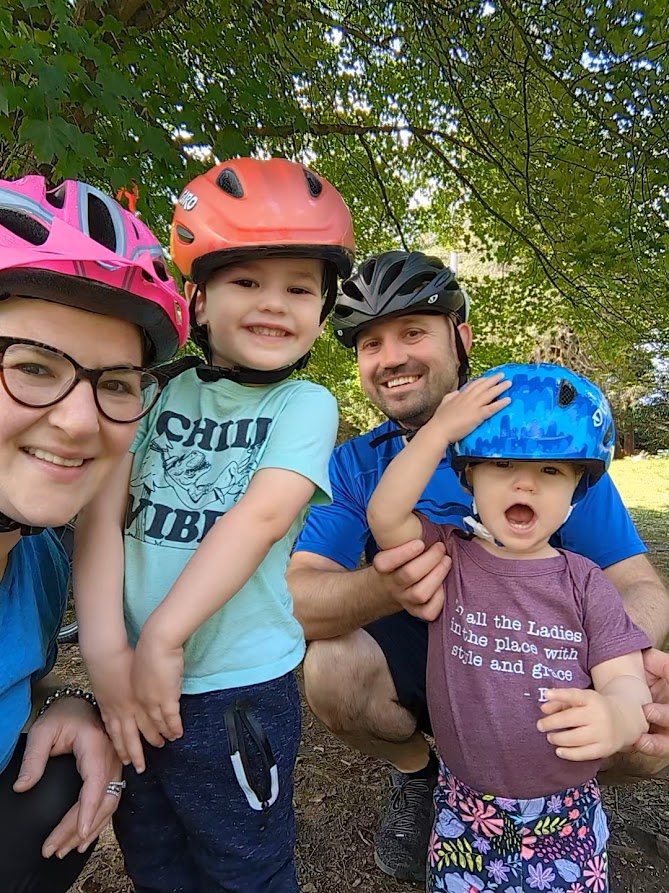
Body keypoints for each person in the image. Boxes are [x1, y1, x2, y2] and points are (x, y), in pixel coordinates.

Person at [287, 249, 669, 884]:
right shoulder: (357, 461)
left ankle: (552, 785)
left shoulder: (539, 434)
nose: (392, 357)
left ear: (460, 337)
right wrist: (388, 586)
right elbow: (298, 599)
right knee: (330, 668)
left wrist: (616, 658)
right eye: (370, 343)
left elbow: (639, 584)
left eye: (413, 331)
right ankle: (420, 774)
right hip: (431, 643)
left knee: (646, 717)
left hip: (540, 655)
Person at [74, 156, 356, 892]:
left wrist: (164, 634)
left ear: (322, 311)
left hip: (236, 689)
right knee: (153, 851)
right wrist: (109, 655)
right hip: (132, 676)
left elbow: (262, 516)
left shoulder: (303, 406)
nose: (274, 303)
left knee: (244, 864)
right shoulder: (154, 393)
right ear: (197, 301)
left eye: (299, 288)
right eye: (247, 281)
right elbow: (103, 515)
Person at [367, 362, 651, 892]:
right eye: (500, 463)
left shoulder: (587, 583)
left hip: (566, 818)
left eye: (551, 471)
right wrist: (438, 432)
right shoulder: (448, 557)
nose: (524, 481)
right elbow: (385, 515)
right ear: (468, 476)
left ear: (577, 490)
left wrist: (618, 716)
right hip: (461, 810)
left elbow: (625, 679)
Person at [0, 174, 189, 893]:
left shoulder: (40, 559)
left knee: (58, 785)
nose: (81, 422)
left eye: (115, 383)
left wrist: (72, 702)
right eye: (33, 367)